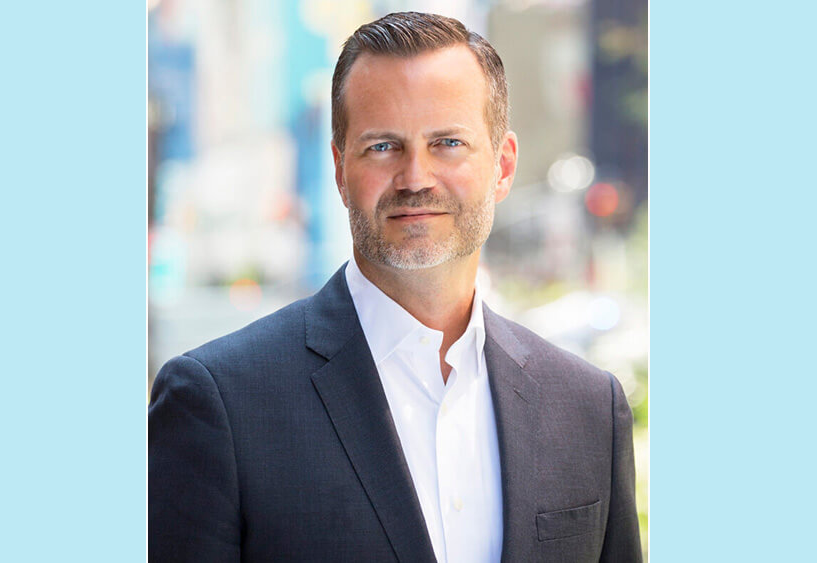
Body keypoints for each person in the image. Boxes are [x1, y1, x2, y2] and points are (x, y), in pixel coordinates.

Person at [149, 11, 641, 563]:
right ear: (339, 168)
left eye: (448, 143)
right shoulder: (221, 404)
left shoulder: (588, 408)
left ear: (502, 167)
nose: (415, 178)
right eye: (383, 146)